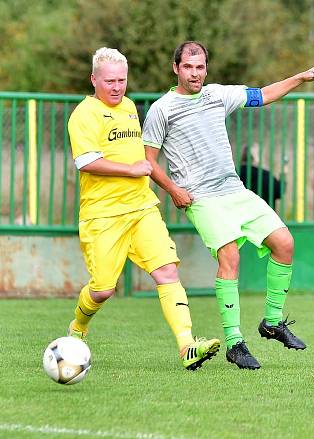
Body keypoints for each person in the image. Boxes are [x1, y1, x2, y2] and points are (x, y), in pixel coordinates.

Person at [142, 41, 314, 370]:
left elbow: (264, 94)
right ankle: (234, 343)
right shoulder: (162, 109)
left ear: (206, 69)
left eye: (199, 67)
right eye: (188, 67)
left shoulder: (218, 95)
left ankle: (272, 323)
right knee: (231, 256)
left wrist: (300, 77)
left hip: (234, 189)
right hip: (200, 196)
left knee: (285, 243)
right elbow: (148, 161)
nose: (194, 73)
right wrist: (172, 190)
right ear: (176, 69)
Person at [66, 47, 220, 370]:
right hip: (103, 216)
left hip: (142, 209)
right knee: (103, 289)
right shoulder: (84, 114)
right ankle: (78, 327)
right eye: (109, 81)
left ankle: (187, 346)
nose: (117, 87)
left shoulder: (130, 107)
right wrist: (131, 170)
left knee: (167, 271)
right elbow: (85, 162)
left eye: (122, 80)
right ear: (94, 79)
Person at [239, 143, 282, 208]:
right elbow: (279, 191)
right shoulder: (264, 175)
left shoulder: (236, 173)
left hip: (242, 214)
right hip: (264, 215)